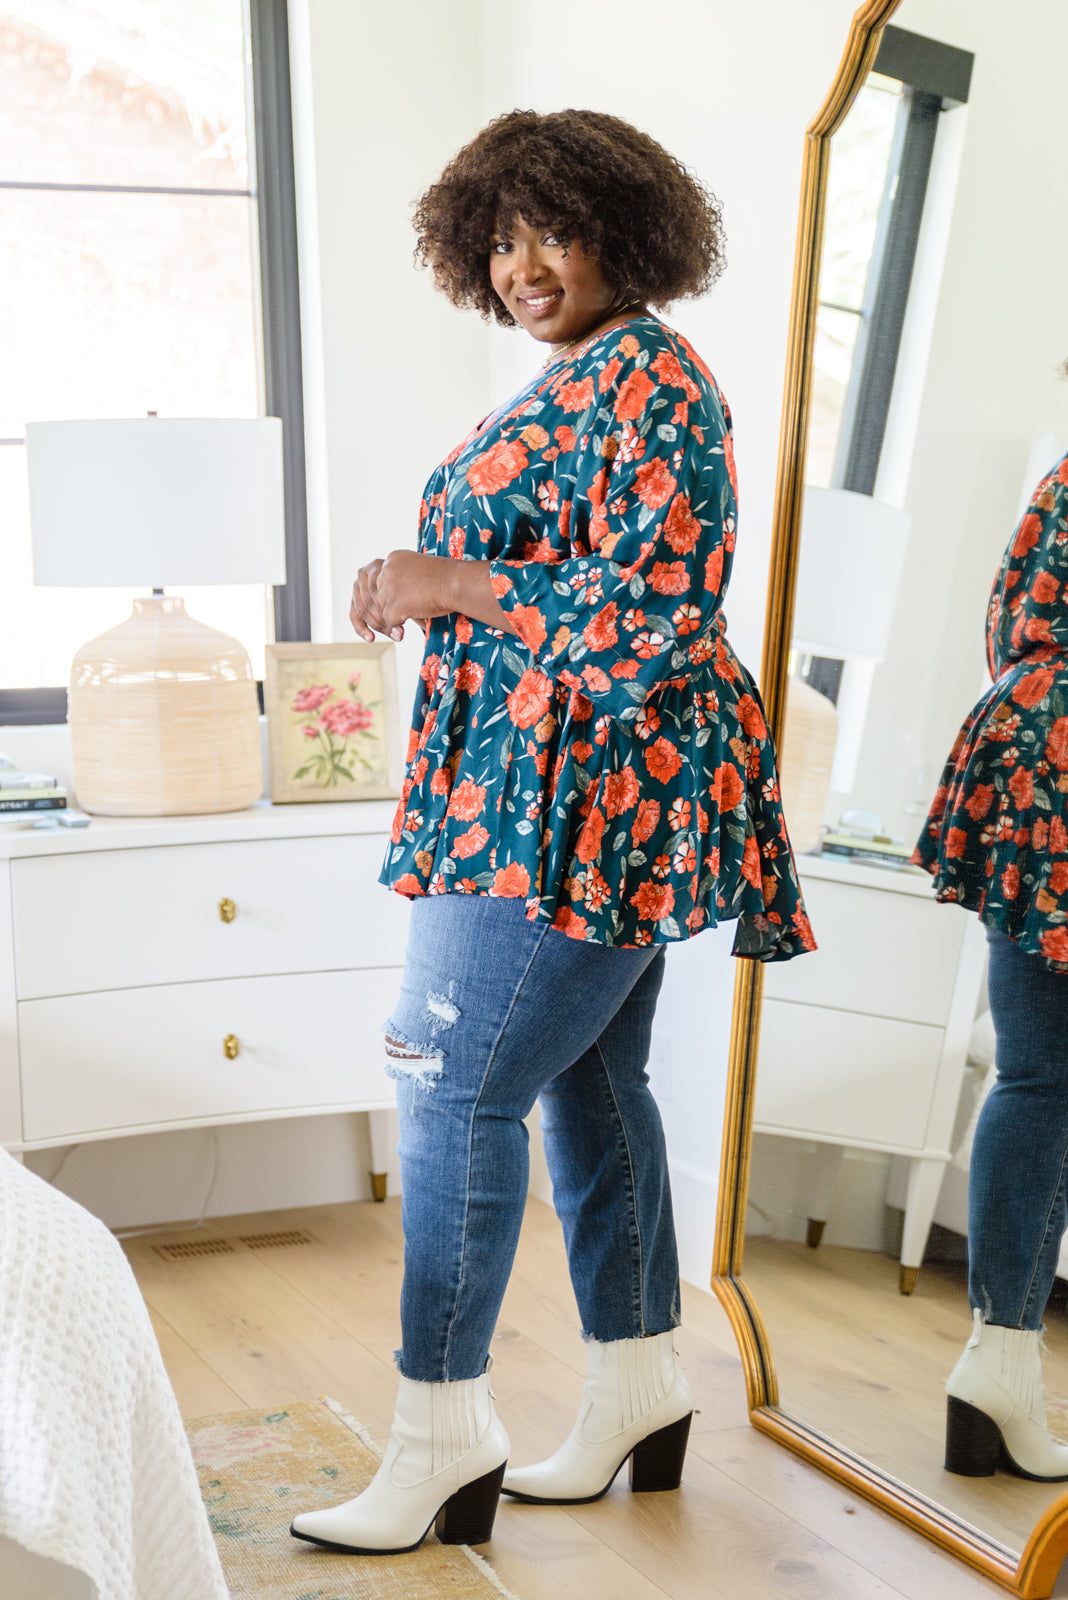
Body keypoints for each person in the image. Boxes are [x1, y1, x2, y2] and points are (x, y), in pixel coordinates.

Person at [291, 108, 814, 1558]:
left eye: (557, 233)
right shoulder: (573, 376)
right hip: (535, 787)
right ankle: (639, 1385)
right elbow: (538, 568)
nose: (526, 265)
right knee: (590, 1085)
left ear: (625, 234)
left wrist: (451, 580)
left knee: (448, 1081)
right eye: (504, 239)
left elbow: (658, 610)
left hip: (585, 797)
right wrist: (418, 578)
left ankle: (438, 1434)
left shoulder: (653, 379)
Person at [915, 448, 1068, 1481]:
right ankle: (1001, 1365)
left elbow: (1010, 613)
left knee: (1036, 1074)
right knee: (1046, 1078)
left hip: (1028, 735)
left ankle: (999, 1361)